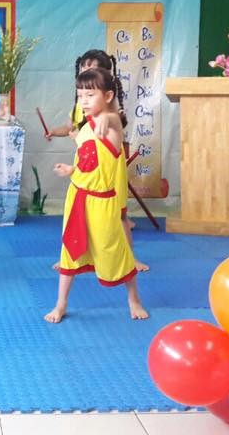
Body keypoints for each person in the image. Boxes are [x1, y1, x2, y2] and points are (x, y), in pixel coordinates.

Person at [45, 67, 147, 323]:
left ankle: (134, 300)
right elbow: (89, 161)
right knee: (69, 252)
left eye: (90, 95)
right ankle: (60, 303)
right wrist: (71, 170)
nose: (84, 101)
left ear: (108, 96)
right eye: (80, 95)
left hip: (102, 204)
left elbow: (117, 124)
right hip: (77, 198)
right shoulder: (85, 128)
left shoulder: (110, 129)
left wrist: (109, 117)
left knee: (115, 251)